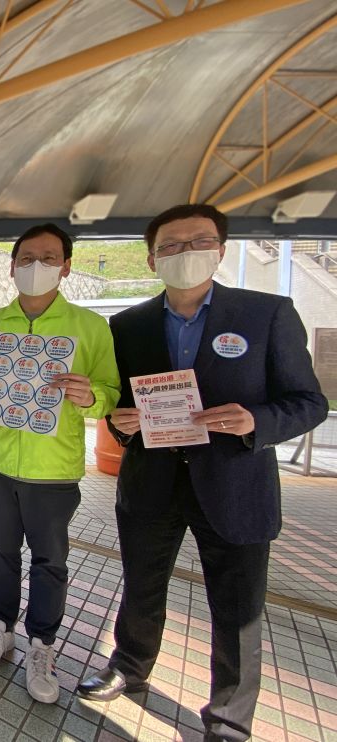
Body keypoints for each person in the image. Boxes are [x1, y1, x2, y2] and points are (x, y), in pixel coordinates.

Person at [75, 204, 328, 741]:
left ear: (220, 250)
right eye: (170, 245)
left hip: (235, 486)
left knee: (237, 608)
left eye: (198, 242)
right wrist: (120, 422)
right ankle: (129, 665)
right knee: (141, 585)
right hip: (151, 483)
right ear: (151, 259)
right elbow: (120, 402)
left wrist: (255, 421)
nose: (184, 253)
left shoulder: (266, 314)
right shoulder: (128, 325)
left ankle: (229, 717)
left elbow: (309, 402)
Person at [0, 224, 120, 703]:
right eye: (27, 258)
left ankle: (42, 644)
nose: (36, 266)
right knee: (1, 550)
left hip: (54, 470)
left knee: (50, 560)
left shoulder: (90, 327)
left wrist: (91, 396)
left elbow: (110, 392)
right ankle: (0, 626)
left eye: (48, 258)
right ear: (12, 267)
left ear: (66, 267)